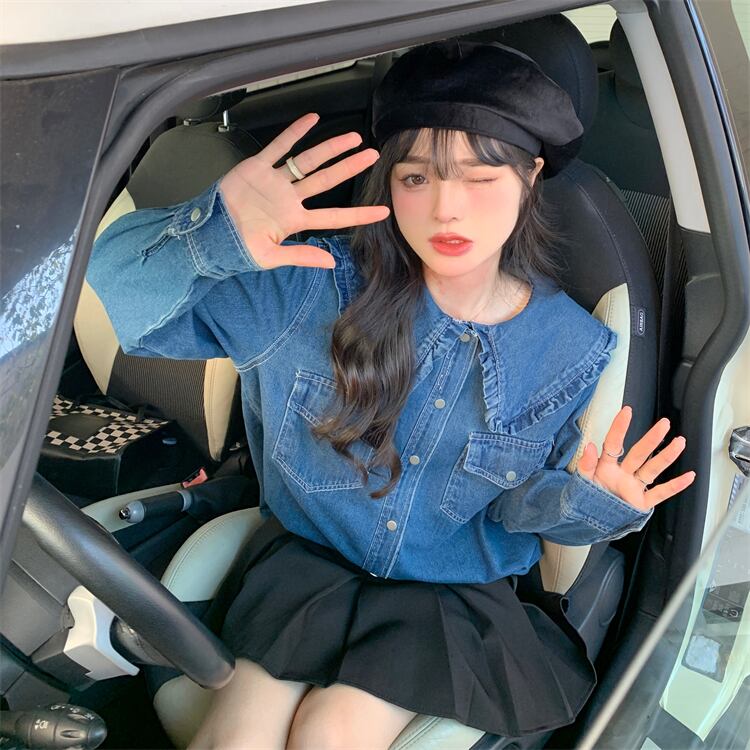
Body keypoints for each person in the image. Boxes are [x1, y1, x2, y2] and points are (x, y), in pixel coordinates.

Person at [88, 40, 695, 749]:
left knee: (329, 737)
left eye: (479, 178)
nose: (445, 210)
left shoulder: (569, 344)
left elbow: (518, 505)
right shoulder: (309, 283)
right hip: (308, 569)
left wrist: (593, 503)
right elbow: (116, 298)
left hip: (449, 599)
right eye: (415, 177)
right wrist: (215, 234)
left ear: (530, 176)